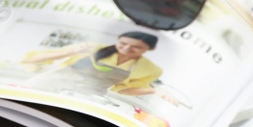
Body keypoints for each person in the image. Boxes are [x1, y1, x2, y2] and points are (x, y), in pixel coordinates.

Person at [20, 31, 163, 96]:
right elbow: (30, 60)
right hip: (47, 85)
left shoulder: (151, 70)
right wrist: (70, 52)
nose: (126, 49)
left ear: (151, 49)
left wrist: (154, 91)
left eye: (136, 47)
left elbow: (121, 90)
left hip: (87, 96)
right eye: (122, 43)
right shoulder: (92, 47)